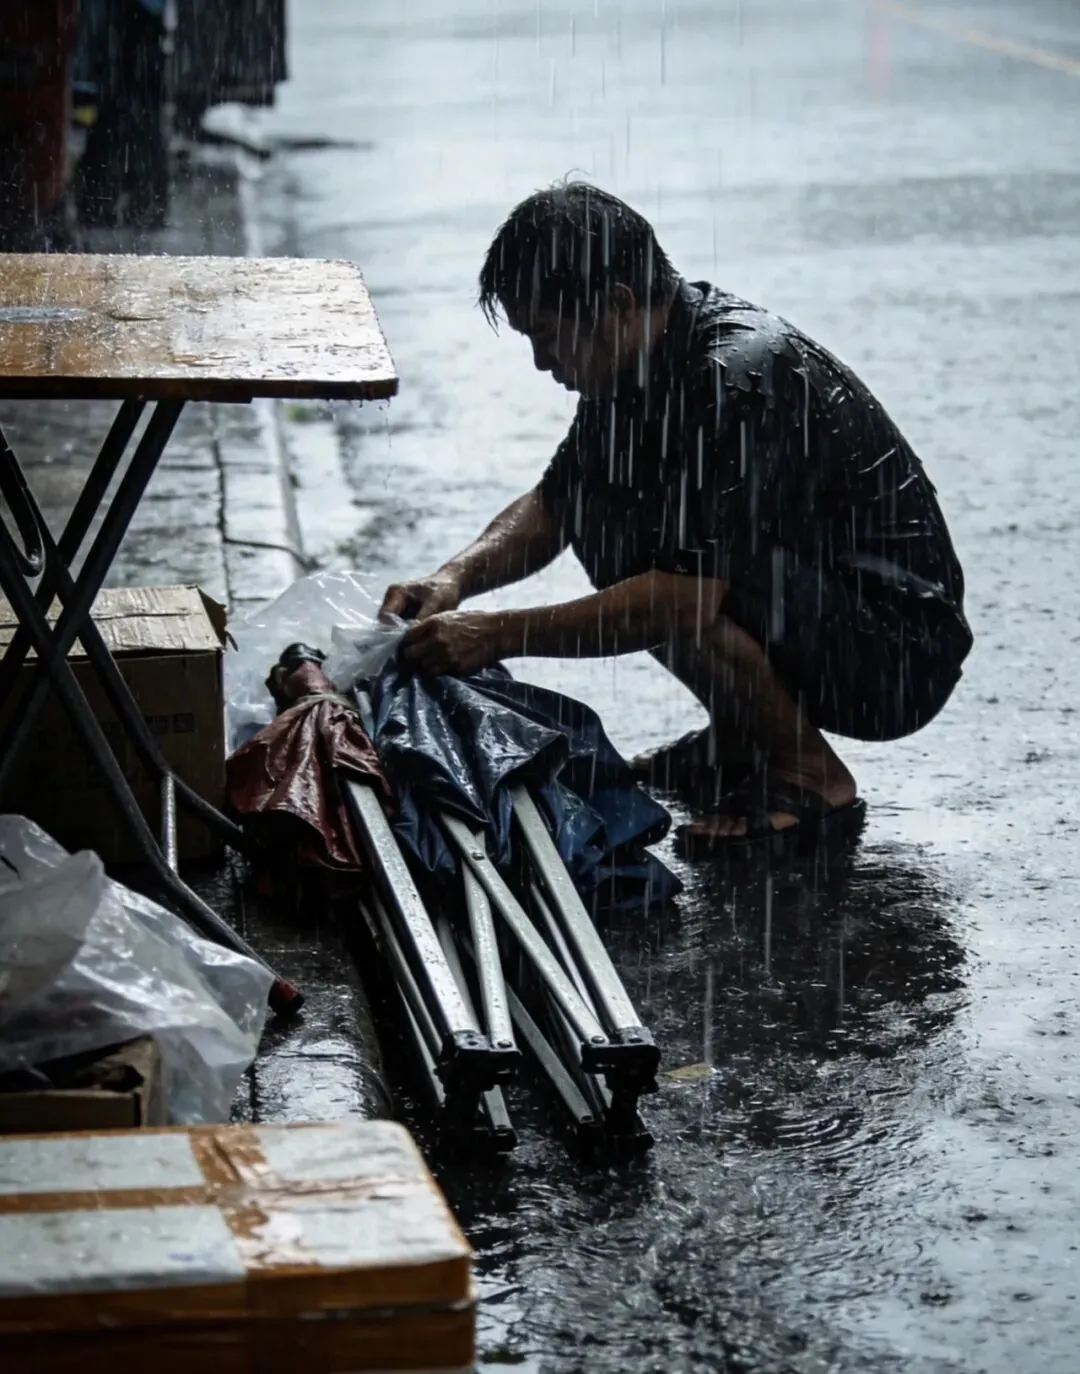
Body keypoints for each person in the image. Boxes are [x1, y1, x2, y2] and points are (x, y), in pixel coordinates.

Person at [380, 181, 973, 855]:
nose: (543, 363)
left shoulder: (734, 375)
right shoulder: (631, 361)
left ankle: (806, 773)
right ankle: (742, 734)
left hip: (895, 655)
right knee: (611, 524)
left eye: (547, 336)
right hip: (822, 606)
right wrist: (455, 581)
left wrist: (495, 636)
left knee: (668, 577)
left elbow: (677, 603)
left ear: (616, 305)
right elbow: (556, 502)